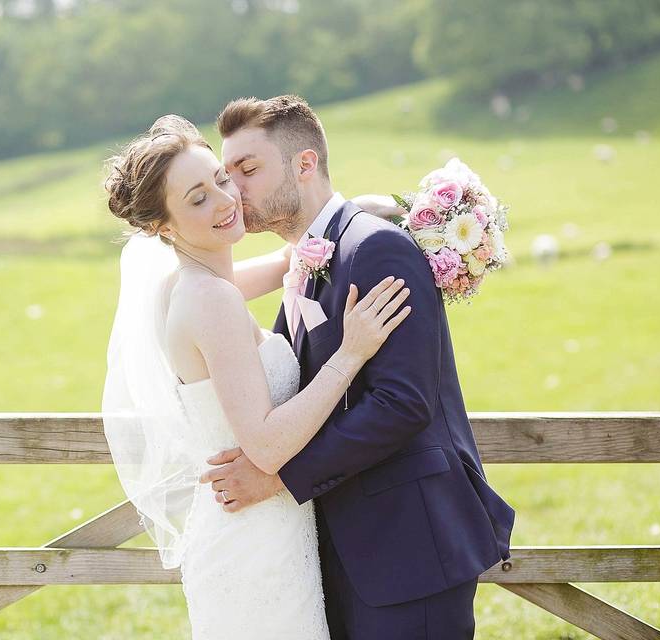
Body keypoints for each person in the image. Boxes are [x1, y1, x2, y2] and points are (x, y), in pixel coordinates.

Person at [199, 95, 516, 639]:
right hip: (344, 547)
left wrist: (276, 477)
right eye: (227, 174)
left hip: (408, 544)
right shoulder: (310, 254)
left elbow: (402, 403)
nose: (235, 189)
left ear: (304, 164)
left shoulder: (377, 250)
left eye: (247, 169)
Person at [101, 114, 411, 639]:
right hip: (254, 541)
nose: (224, 201)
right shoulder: (210, 299)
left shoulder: (189, 283)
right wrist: (350, 354)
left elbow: (295, 255)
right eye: (197, 198)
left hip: (258, 525)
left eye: (221, 179)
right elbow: (265, 447)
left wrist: (411, 215)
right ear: (164, 227)